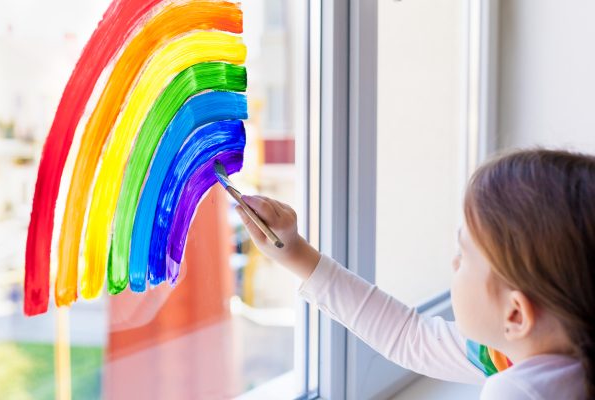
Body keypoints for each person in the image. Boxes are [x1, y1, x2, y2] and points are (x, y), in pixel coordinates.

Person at [235, 149, 593, 399]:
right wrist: (294, 251)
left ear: (515, 314)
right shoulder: (535, 352)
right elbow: (410, 338)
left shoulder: (521, 392)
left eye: (464, 255)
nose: (454, 265)